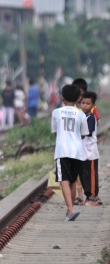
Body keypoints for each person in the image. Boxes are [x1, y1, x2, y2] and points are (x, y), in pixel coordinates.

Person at [52, 84, 89, 222]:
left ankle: (71, 209)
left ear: (62, 97)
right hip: (77, 151)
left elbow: (56, 133)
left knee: (63, 181)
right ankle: (69, 210)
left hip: (62, 151)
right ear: (77, 99)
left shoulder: (56, 113)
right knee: (73, 180)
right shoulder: (81, 114)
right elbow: (84, 134)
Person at [80, 92, 102, 206]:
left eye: (88, 103)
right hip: (83, 152)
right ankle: (88, 195)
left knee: (92, 174)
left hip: (91, 152)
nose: (84, 105)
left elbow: (85, 133)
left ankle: (93, 196)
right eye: (83, 103)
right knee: (84, 175)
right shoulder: (83, 117)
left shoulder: (91, 118)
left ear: (93, 105)